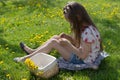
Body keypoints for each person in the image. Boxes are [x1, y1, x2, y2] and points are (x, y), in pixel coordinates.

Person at [14, 2, 103, 69]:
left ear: (77, 17)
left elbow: (83, 55)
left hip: (82, 60)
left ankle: (26, 58)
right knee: (56, 38)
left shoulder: (87, 33)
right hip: (81, 54)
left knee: (54, 42)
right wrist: (68, 38)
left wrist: (68, 45)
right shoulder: (85, 27)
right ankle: (33, 51)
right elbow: (79, 44)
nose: (71, 23)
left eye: (70, 21)